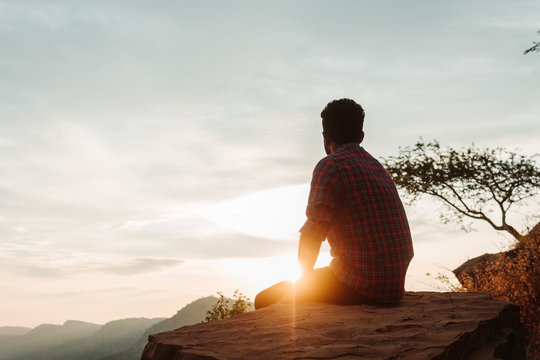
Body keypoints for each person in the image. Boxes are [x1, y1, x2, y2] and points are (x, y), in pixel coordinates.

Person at [254, 98, 414, 309]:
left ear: (325, 137)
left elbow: (313, 232)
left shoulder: (330, 166)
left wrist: (303, 282)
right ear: (361, 136)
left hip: (360, 285)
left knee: (265, 299)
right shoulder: (376, 166)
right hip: (393, 286)